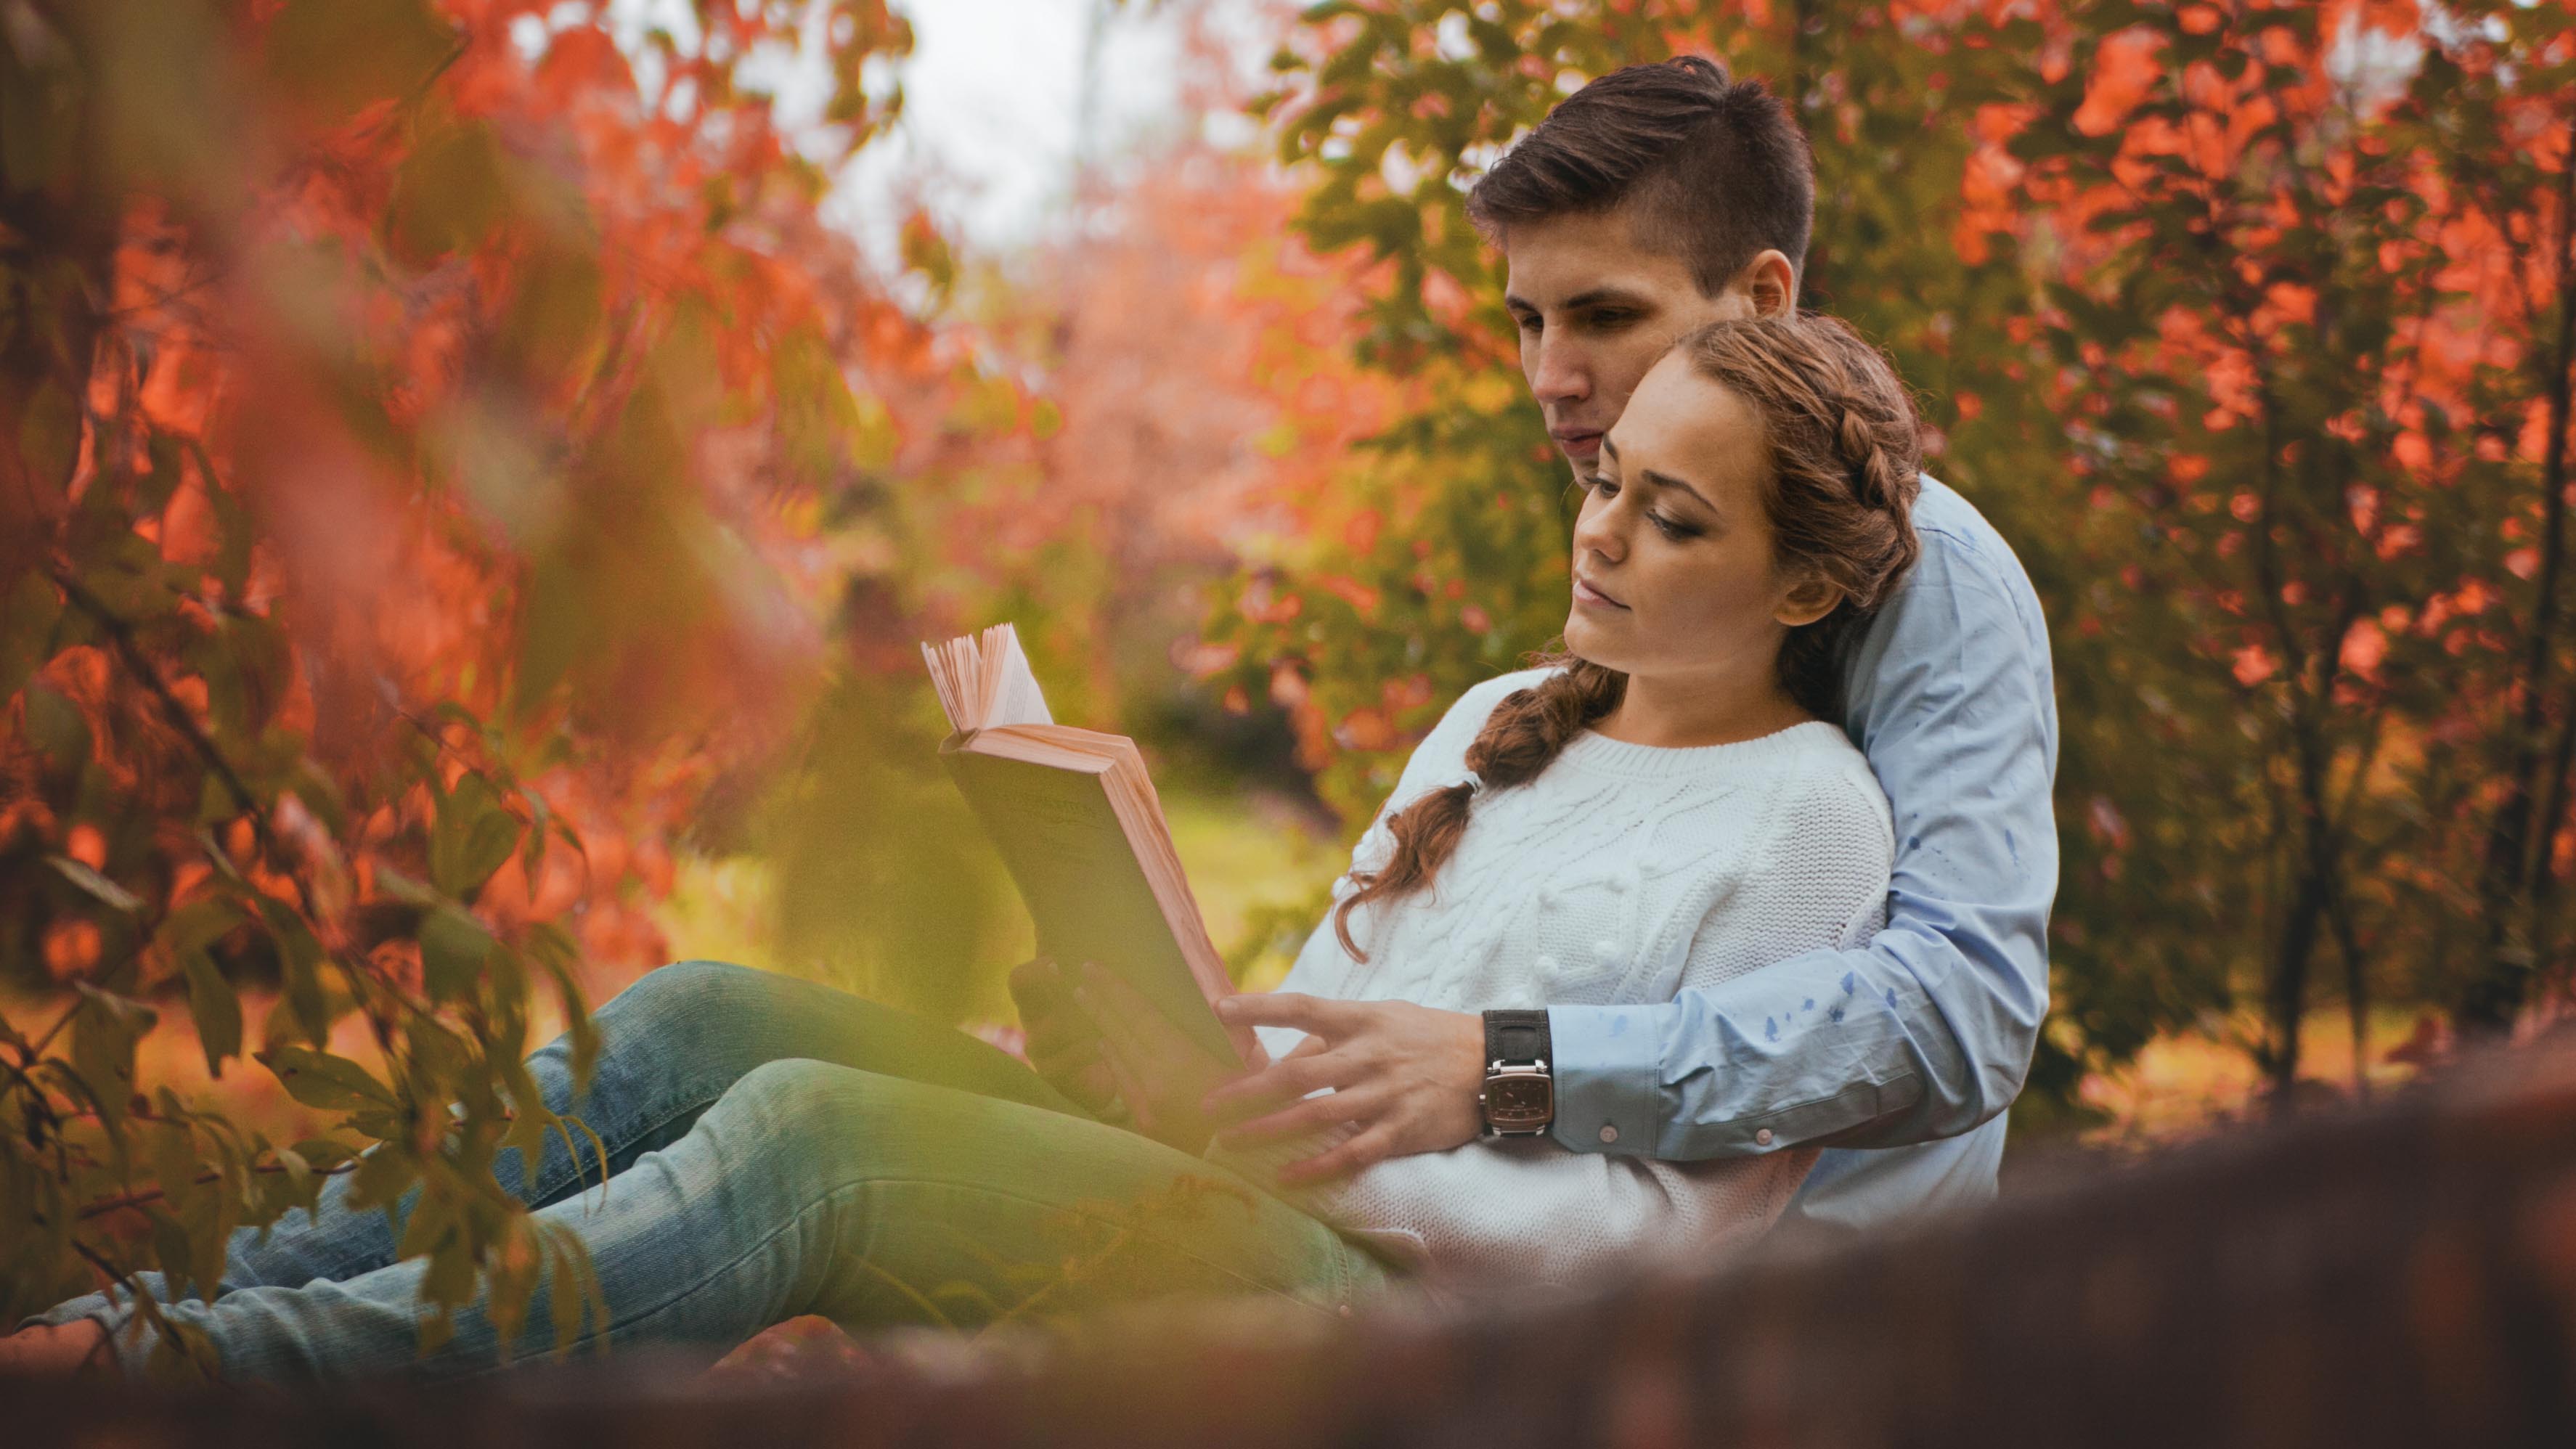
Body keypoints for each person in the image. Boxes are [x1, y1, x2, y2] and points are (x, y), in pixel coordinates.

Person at [4, 307, 1925, 1381]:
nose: (1601, 535)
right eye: (1607, 484)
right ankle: (152, 1317)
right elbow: (1311, 1014)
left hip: (1401, 1320)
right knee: (693, 1018)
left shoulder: (1809, 822)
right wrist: (1150, 1047)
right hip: (1223, 1178)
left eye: (1673, 520)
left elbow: (1672, 1243)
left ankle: (206, 1386)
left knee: (819, 1142)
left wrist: (1352, 1145)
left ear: (1798, 579)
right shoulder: (1497, 719)